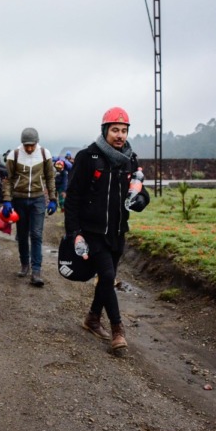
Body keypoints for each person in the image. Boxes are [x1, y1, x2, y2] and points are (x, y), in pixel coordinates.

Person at [63, 107, 150, 353]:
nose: (120, 135)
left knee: (106, 278)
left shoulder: (130, 159)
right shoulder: (88, 157)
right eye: (115, 130)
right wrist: (74, 232)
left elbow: (139, 190)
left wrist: (142, 200)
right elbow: (73, 198)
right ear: (105, 131)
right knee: (109, 277)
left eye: (124, 130)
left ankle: (92, 318)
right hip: (93, 232)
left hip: (118, 231)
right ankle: (117, 330)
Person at [1, 127, 57, 286]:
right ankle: (24, 264)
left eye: (32, 145)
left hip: (38, 199)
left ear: (37, 143)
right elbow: (8, 180)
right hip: (19, 199)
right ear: (22, 144)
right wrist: (7, 200)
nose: (29, 148)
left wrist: (53, 199)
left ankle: (36, 271)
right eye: (27, 145)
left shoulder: (45, 154)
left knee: (37, 234)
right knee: (22, 234)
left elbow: (50, 178)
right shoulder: (14, 155)